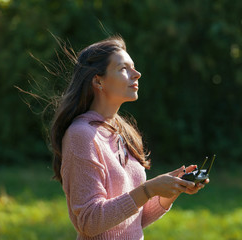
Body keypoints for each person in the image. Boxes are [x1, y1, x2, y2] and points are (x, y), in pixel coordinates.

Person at [49, 36, 209, 240]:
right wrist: (148, 189)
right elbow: (89, 222)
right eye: (124, 69)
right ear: (98, 81)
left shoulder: (121, 131)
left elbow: (132, 220)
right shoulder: (81, 135)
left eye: (133, 67)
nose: (137, 74)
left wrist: (169, 191)